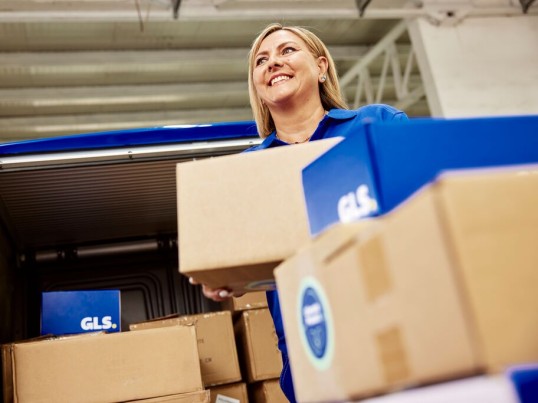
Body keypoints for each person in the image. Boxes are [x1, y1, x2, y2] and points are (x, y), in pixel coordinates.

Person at [190, 23, 408, 402]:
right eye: (261, 60)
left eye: (287, 51)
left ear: (321, 66)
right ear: (257, 85)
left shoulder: (377, 126)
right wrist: (228, 276)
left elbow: (418, 212)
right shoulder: (244, 172)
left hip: (396, 322)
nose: (273, 62)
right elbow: (246, 262)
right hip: (314, 347)